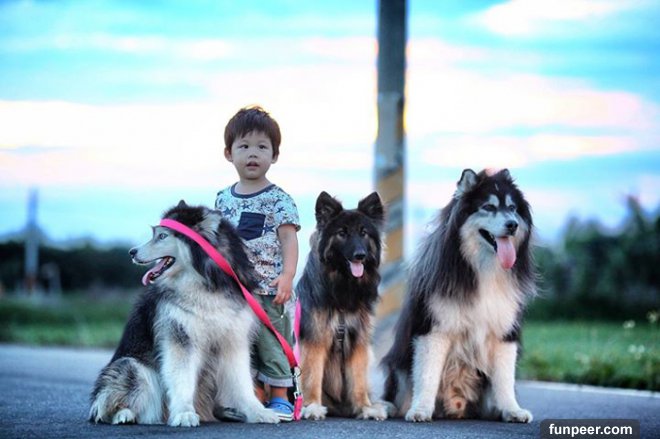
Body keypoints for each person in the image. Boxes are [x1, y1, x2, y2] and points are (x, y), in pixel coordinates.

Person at [215, 106, 300, 422]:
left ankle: (280, 398)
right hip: (233, 291)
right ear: (229, 153)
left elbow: (289, 240)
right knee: (238, 346)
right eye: (244, 146)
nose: (253, 154)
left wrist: (287, 276)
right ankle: (249, 398)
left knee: (271, 342)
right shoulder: (223, 198)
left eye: (262, 147)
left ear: (274, 155)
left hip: (268, 288)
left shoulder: (279, 199)